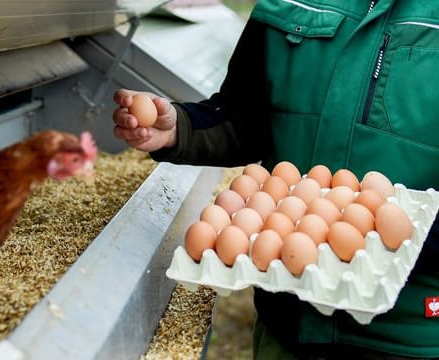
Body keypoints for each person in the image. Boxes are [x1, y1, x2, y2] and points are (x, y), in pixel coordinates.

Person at [113, 1, 439, 359]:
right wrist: (181, 127)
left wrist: (395, 246)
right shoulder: (288, 3)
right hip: (288, 323)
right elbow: (245, 116)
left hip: (410, 334)